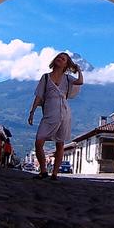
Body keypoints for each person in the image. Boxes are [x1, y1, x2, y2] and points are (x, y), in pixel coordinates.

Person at [27, 51, 83, 180]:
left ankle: (55, 174)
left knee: (60, 144)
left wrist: (78, 69)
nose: (59, 59)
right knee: (39, 141)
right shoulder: (46, 77)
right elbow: (39, 95)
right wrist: (32, 112)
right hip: (50, 112)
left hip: (64, 112)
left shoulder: (68, 78)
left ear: (66, 64)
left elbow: (80, 82)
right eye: (59, 57)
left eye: (63, 59)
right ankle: (43, 170)